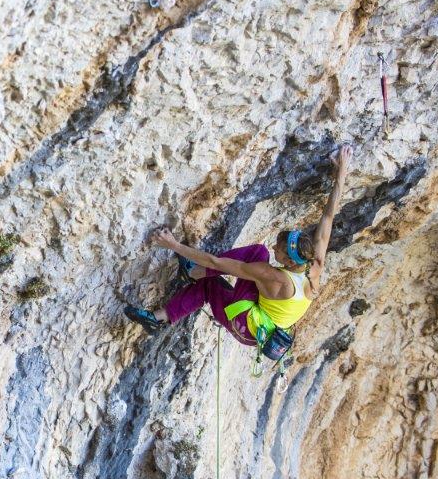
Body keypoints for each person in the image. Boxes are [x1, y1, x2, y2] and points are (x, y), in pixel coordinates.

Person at [125, 145, 352, 346]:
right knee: (228, 272)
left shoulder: (275, 277)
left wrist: (173, 244)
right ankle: (170, 302)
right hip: (263, 328)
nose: (274, 249)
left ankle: (183, 285)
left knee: (243, 262)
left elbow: (217, 262)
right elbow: (328, 219)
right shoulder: (314, 266)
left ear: (291, 261)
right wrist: (341, 173)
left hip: (245, 327)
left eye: (279, 251)